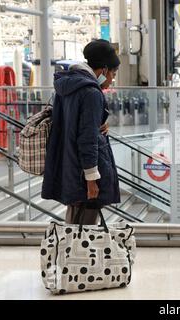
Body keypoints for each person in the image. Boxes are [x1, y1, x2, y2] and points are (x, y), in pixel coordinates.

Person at [42, 39, 121, 225]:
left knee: (74, 225)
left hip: (69, 166)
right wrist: (92, 180)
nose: (112, 79)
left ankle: (70, 254)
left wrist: (98, 124)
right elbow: (87, 139)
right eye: (113, 74)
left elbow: (72, 125)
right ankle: (76, 255)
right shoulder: (91, 93)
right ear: (103, 70)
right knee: (85, 233)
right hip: (83, 173)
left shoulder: (67, 86)